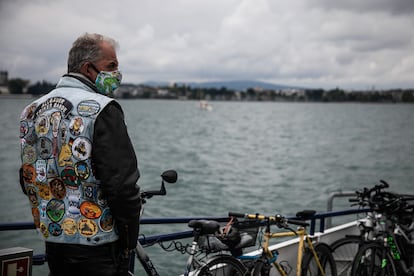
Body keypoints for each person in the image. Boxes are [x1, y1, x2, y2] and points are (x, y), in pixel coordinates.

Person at [19, 33, 141, 276]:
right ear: (88, 68)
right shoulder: (104, 109)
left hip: (54, 241)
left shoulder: (30, 111)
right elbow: (122, 186)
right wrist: (128, 241)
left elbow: (28, 177)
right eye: (112, 66)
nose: (117, 74)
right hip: (99, 244)